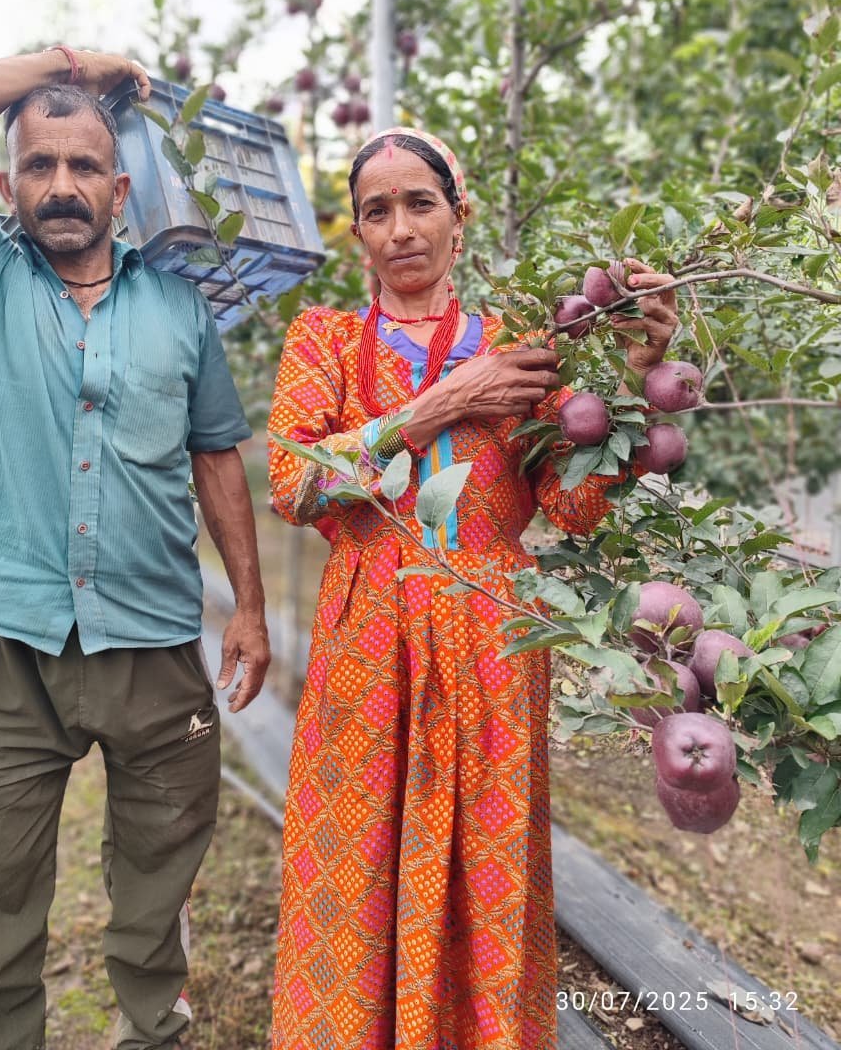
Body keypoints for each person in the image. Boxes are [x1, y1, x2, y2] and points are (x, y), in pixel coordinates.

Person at [266, 127, 678, 1049]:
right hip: (367, 638)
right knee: (359, 853)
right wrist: (442, 404)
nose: (401, 229)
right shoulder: (325, 341)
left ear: (462, 216)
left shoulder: (522, 349)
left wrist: (637, 378)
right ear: (358, 233)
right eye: (377, 211)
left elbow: (571, 508)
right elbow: (295, 484)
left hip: (491, 641)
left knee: (483, 858)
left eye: (421, 203)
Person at [0, 46, 270, 1050]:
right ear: (7, 186)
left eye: (83, 165)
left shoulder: (180, 306)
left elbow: (217, 455)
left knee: (160, 870)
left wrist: (249, 604)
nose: (61, 184)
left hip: (155, 639)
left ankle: (153, 1028)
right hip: (14, 643)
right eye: (38, 164)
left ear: (120, 189)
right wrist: (72, 63)